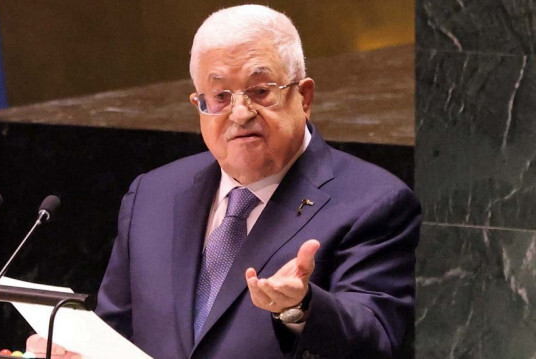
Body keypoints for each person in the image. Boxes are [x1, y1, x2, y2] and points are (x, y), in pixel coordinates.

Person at [28, 4, 421, 359]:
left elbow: (377, 340)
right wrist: (73, 353)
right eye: (218, 96)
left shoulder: (373, 202)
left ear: (304, 96)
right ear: (198, 104)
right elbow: (115, 334)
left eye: (261, 91)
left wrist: (300, 307)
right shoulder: (153, 195)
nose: (239, 113)